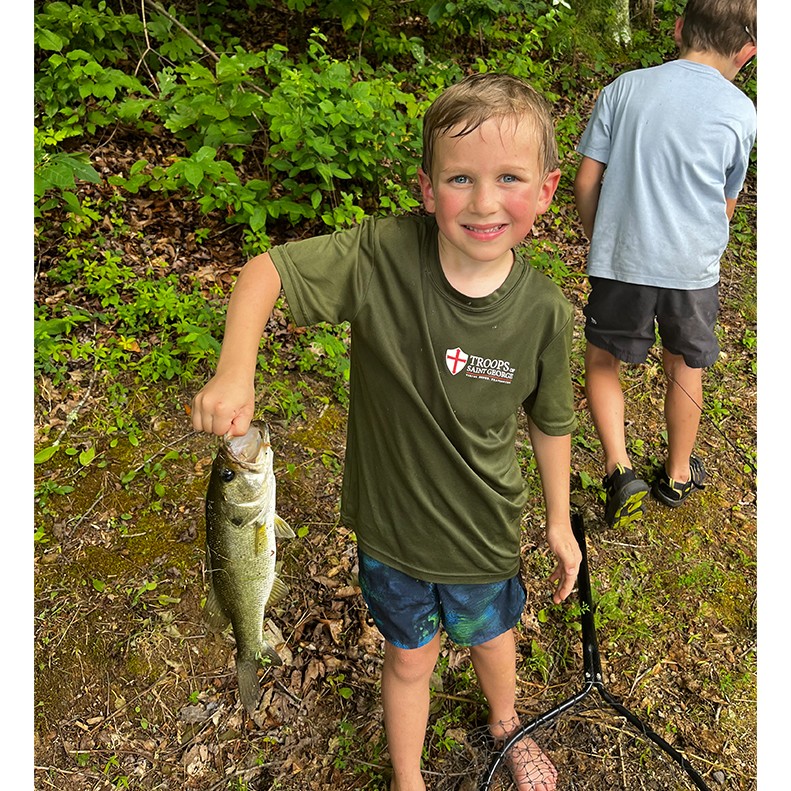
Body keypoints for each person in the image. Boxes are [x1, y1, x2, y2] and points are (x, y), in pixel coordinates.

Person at [192, 72, 582, 791]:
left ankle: (504, 721)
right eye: (459, 178)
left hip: (485, 532)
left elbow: (550, 422)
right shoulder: (381, 256)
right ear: (428, 189)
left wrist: (558, 520)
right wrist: (234, 370)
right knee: (409, 657)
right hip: (392, 537)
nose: (484, 201)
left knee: (493, 638)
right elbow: (264, 273)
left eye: (508, 178)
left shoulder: (545, 312)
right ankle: (408, 779)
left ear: (547, 190)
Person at [573, 0, 757, 529]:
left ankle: (619, 469)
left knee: (604, 359)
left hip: (622, 261)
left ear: (678, 29)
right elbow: (727, 202)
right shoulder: (742, 111)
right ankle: (677, 474)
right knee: (684, 365)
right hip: (692, 271)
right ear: (747, 53)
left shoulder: (624, 89)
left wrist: (602, 242)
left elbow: (587, 182)